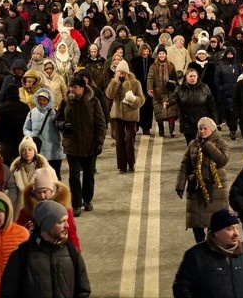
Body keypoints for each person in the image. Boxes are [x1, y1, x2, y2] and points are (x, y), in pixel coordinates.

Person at [0, 200, 92, 298]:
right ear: (47, 225)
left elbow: (83, 290)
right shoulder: (21, 255)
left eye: (66, 220)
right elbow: (7, 293)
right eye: (61, 222)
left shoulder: (72, 251)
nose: (67, 226)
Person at [173, 208, 243, 298]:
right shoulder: (195, 255)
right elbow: (182, 287)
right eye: (230, 229)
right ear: (216, 232)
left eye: (237, 228)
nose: (236, 233)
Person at [56, 72, 107, 216]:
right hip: (72, 145)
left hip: (90, 145)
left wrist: (99, 141)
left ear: (83, 88)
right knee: (73, 176)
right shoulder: (66, 102)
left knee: (89, 175)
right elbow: (57, 119)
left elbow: (101, 124)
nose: (72, 89)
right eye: (71, 86)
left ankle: (87, 200)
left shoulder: (93, 102)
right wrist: (62, 125)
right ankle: (76, 204)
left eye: (75, 87)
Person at [177, 117, 232, 243]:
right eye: (200, 129)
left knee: (215, 226)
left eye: (204, 128)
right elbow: (185, 165)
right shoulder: (193, 144)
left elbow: (223, 160)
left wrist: (207, 146)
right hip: (197, 191)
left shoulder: (221, 143)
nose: (201, 131)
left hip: (215, 190)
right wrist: (180, 184)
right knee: (197, 223)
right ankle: (200, 248)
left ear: (212, 129)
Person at [14, 166, 82, 251]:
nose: (42, 196)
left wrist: (76, 253)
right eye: (38, 192)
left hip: (59, 249)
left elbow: (71, 232)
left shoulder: (63, 208)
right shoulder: (27, 209)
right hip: (35, 250)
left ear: (52, 191)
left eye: (45, 192)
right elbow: (18, 230)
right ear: (34, 192)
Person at [106, 59, 145, 172]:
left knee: (129, 140)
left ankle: (131, 163)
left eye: (123, 73)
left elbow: (141, 99)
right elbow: (109, 95)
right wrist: (115, 81)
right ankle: (122, 166)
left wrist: (134, 100)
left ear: (127, 73)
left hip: (131, 116)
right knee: (119, 141)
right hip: (117, 115)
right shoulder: (115, 82)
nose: (122, 75)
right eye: (120, 72)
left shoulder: (135, 83)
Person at [168, 67, 219, 145]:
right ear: (186, 77)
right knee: (191, 145)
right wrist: (168, 103)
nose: (192, 78)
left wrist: (215, 121)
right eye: (190, 76)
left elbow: (212, 105)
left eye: (194, 76)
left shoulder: (204, 87)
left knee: (205, 145)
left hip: (202, 121)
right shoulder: (180, 88)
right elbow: (174, 98)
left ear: (197, 77)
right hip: (187, 121)